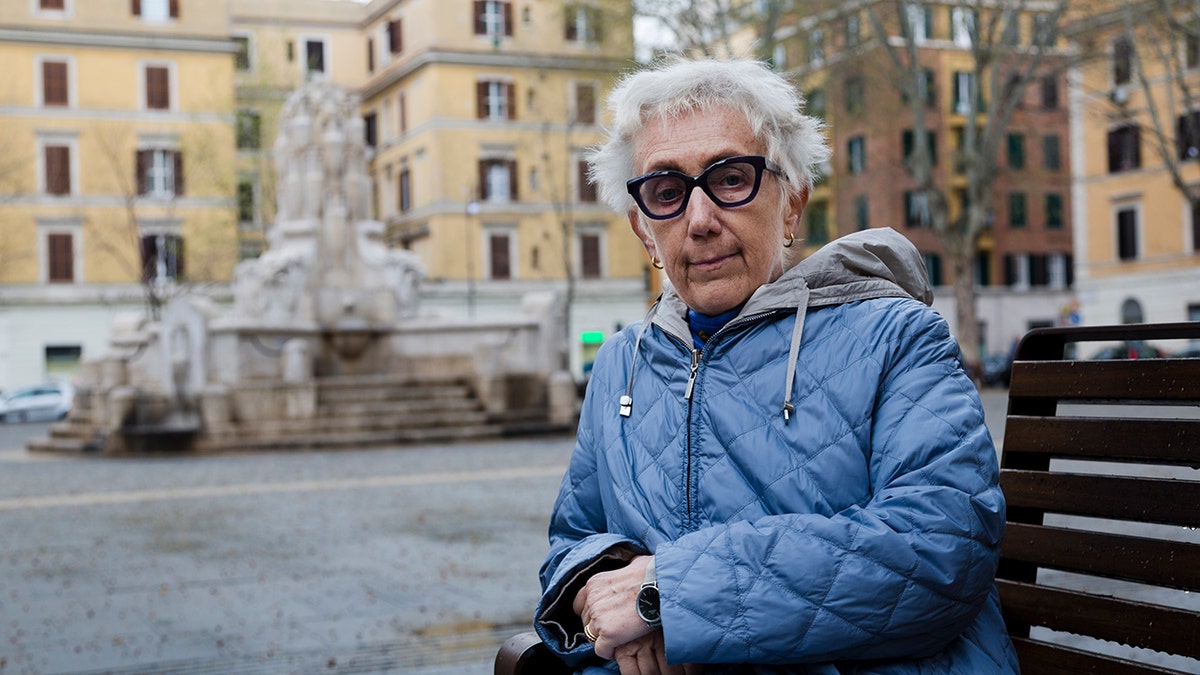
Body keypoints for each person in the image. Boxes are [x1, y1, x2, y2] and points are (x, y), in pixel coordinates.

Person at [533, 57, 1018, 675]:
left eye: (731, 178)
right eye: (666, 192)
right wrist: (603, 590)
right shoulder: (620, 365)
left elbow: (940, 551)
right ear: (642, 229)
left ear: (791, 204)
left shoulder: (897, 338)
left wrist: (669, 598)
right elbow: (571, 541)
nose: (700, 220)